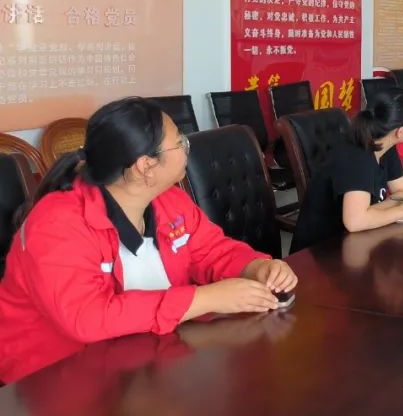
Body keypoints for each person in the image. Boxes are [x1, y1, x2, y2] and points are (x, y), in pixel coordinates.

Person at [0, 97, 298, 385]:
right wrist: (204, 299)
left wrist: (255, 267)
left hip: (143, 360)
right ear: (145, 166)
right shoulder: (56, 224)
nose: (186, 148)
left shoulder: (169, 201)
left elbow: (211, 251)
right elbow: (87, 317)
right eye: (179, 142)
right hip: (56, 378)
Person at [291, 87, 403, 253]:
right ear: (400, 131)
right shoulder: (357, 156)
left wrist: (370, 213)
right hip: (320, 251)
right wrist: (401, 211)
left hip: (356, 242)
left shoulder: (385, 146)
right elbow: (355, 222)